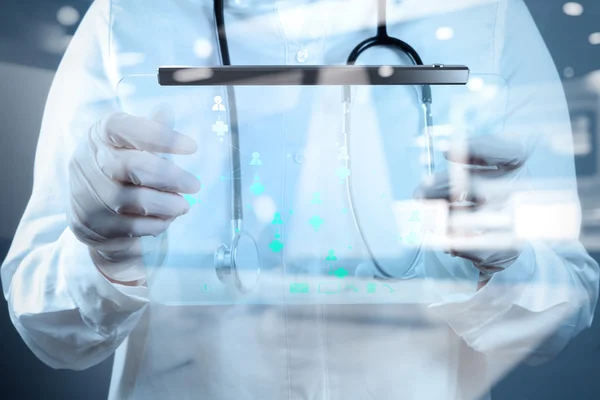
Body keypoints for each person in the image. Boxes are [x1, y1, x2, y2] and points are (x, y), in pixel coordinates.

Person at [2, 0, 598, 399]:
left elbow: (561, 317)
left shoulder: (484, 14)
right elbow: (44, 325)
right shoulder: (128, 16)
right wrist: (104, 259)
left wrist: (503, 263)